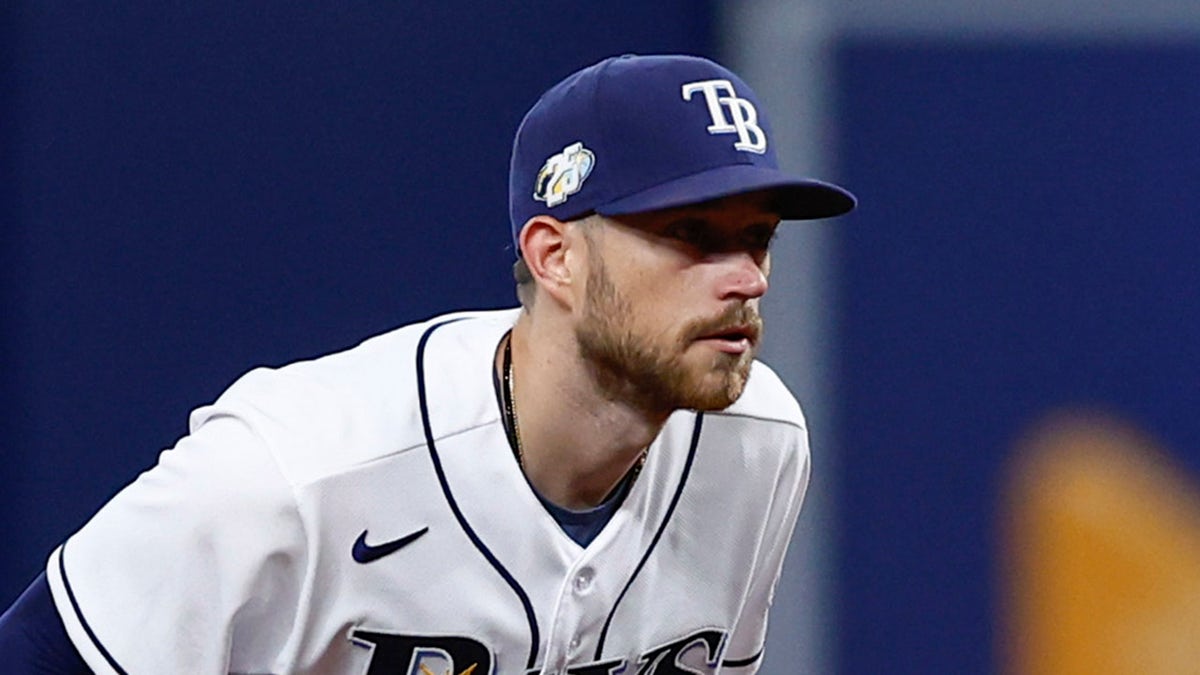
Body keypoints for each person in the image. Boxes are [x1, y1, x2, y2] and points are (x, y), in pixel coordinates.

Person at [0, 53, 854, 674]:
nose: (746, 278)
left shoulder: (758, 445)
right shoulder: (293, 473)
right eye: (691, 237)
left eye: (757, 239)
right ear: (556, 257)